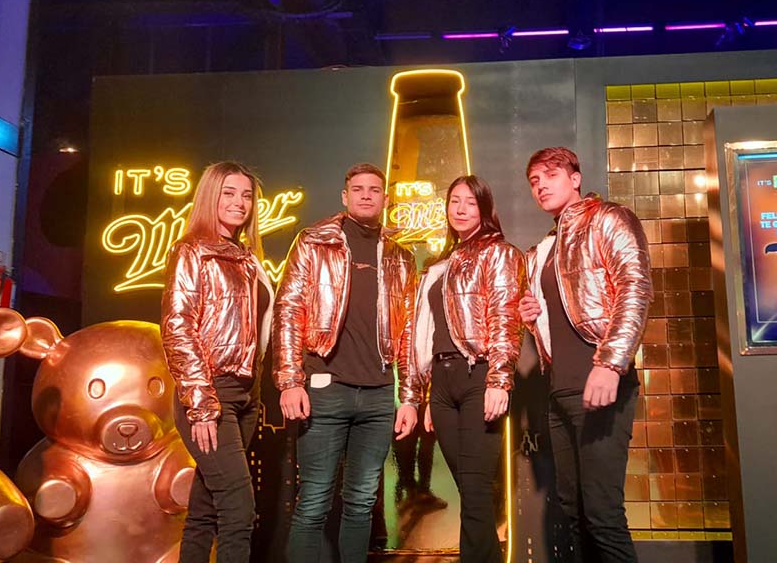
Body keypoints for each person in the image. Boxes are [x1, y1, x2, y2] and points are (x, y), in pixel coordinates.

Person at [273, 162, 422, 563]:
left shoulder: (400, 256)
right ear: (345, 196)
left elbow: (408, 331)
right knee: (314, 500)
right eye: (358, 189)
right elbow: (288, 310)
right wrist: (290, 381)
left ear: (385, 199)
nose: (366, 195)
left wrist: (409, 398)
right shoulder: (314, 243)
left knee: (361, 502)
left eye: (374, 190)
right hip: (326, 388)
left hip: (378, 396)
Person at [519, 147, 652, 563]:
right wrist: (533, 316)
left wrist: (611, 363)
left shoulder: (609, 219)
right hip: (559, 390)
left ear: (575, 178)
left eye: (550, 175)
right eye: (534, 181)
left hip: (600, 382)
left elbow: (635, 288)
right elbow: (566, 312)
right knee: (573, 511)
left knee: (602, 514)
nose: (541, 186)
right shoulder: (544, 248)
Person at [161, 161, 275, 563]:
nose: (239, 202)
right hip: (211, 395)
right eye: (229, 193)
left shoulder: (247, 258)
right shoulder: (192, 251)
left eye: (246, 195)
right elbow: (178, 327)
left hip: (246, 395)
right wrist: (202, 404)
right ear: (210, 195)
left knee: (205, 509)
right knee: (239, 510)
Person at [412, 175, 526, 562]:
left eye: (470, 203)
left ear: (484, 209)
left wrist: (499, 380)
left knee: (475, 488)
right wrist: (427, 393)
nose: (460, 209)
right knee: (470, 490)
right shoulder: (441, 264)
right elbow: (428, 331)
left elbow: (506, 319)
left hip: (479, 376)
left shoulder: (499, 253)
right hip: (442, 384)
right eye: (454, 201)